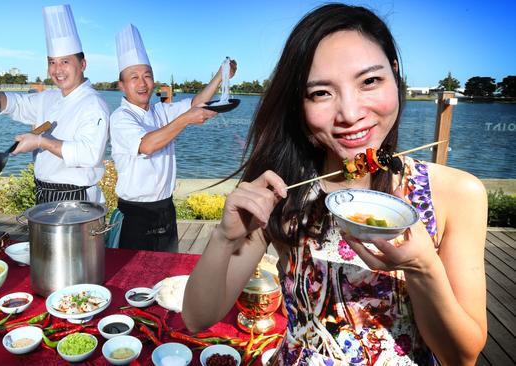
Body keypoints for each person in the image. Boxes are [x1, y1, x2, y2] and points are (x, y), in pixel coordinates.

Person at [182, 4, 487, 365]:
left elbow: (461, 357)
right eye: (321, 93)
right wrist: (224, 237)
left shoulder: (456, 193)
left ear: (395, 74)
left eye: (369, 81)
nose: (350, 114)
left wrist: (422, 267)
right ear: (300, 105)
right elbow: (198, 318)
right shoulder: (283, 190)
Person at [110, 24, 237, 252]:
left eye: (147, 76)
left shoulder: (159, 111)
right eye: (134, 77)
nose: (142, 83)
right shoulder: (121, 117)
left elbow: (195, 103)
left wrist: (220, 76)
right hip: (136, 214)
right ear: (122, 85)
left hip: (165, 209)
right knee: (134, 280)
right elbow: (147, 145)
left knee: (166, 276)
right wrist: (186, 119)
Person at [0, 4, 109, 204]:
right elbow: (16, 103)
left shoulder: (94, 103)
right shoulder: (49, 97)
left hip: (79, 201)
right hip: (44, 194)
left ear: (82, 64)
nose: (57, 69)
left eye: (65, 62)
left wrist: (40, 142)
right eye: (52, 62)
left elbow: (89, 154)